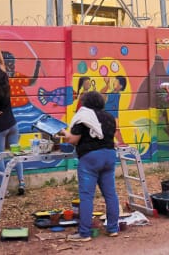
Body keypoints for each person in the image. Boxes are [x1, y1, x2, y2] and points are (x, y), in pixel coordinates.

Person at [60, 91, 120, 242]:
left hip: (90, 158)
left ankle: (84, 233)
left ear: (85, 103)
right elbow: (112, 139)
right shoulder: (110, 118)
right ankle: (113, 229)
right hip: (109, 156)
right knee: (110, 194)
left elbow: (74, 140)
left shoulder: (83, 116)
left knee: (87, 196)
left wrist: (64, 134)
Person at [0, 37, 25, 195]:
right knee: (16, 154)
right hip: (12, 124)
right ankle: (22, 182)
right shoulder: (6, 83)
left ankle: (3, 188)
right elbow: (1, 61)